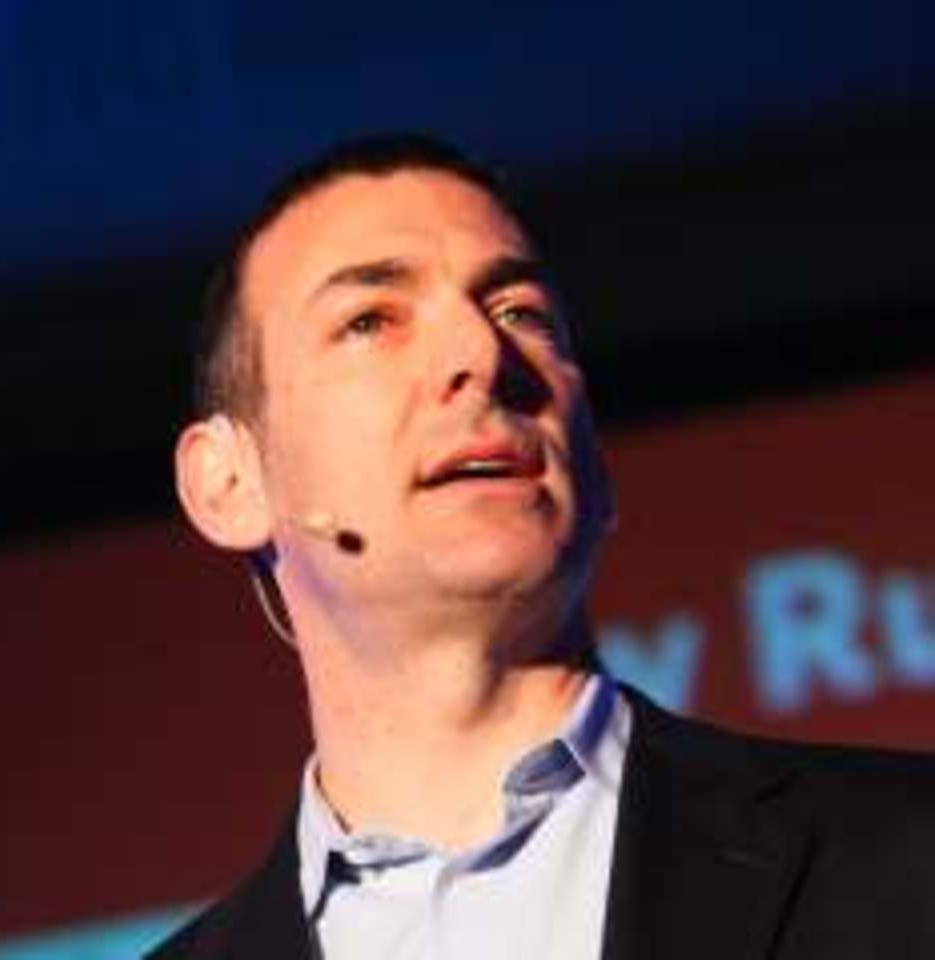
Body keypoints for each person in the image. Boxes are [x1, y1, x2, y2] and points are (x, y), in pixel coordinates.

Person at [147, 135, 935, 960]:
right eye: (370, 321)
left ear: (594, 462)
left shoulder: (900, 857)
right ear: (227, 483)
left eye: (519, 312)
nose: (481, 356)